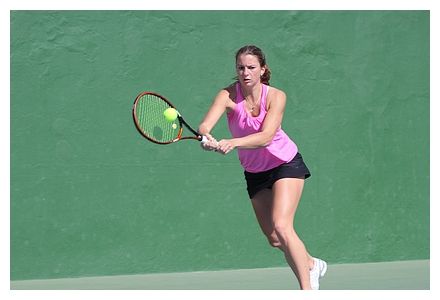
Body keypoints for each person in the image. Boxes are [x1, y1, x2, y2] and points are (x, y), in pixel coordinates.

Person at [198, 45, 327, 290]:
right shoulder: (227, 96)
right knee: (275, 238)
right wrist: (206, 138)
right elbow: (205, 125)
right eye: (240, 67)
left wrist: (233, 142)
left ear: (262, 70)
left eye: (251, 67)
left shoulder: (277, 96)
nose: (245, 72)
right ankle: (311, 263)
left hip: (284, 164)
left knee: (282, 225)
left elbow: (266, 136)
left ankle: (306, 290)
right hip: (255, 172)